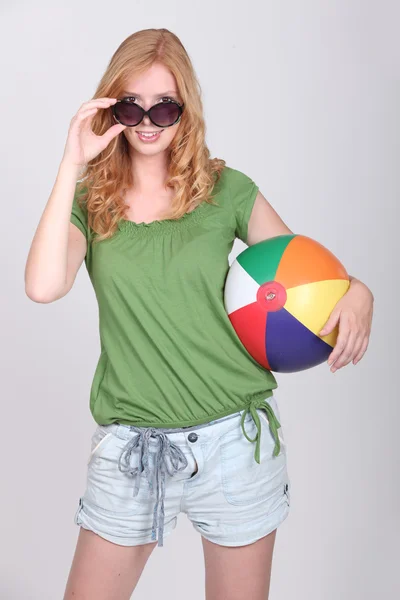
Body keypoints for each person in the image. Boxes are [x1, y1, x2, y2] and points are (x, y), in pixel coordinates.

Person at [25, 28, 374, 600]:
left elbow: (305, 277)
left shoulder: (226, 190)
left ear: (185, 110)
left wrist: (359, 291)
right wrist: (71, 161)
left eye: (164, 106)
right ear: (109, 107)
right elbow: (43, 286)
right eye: (130, 105)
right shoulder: (91, 203)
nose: (147, 121)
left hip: (233, 442)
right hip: (132, 450)